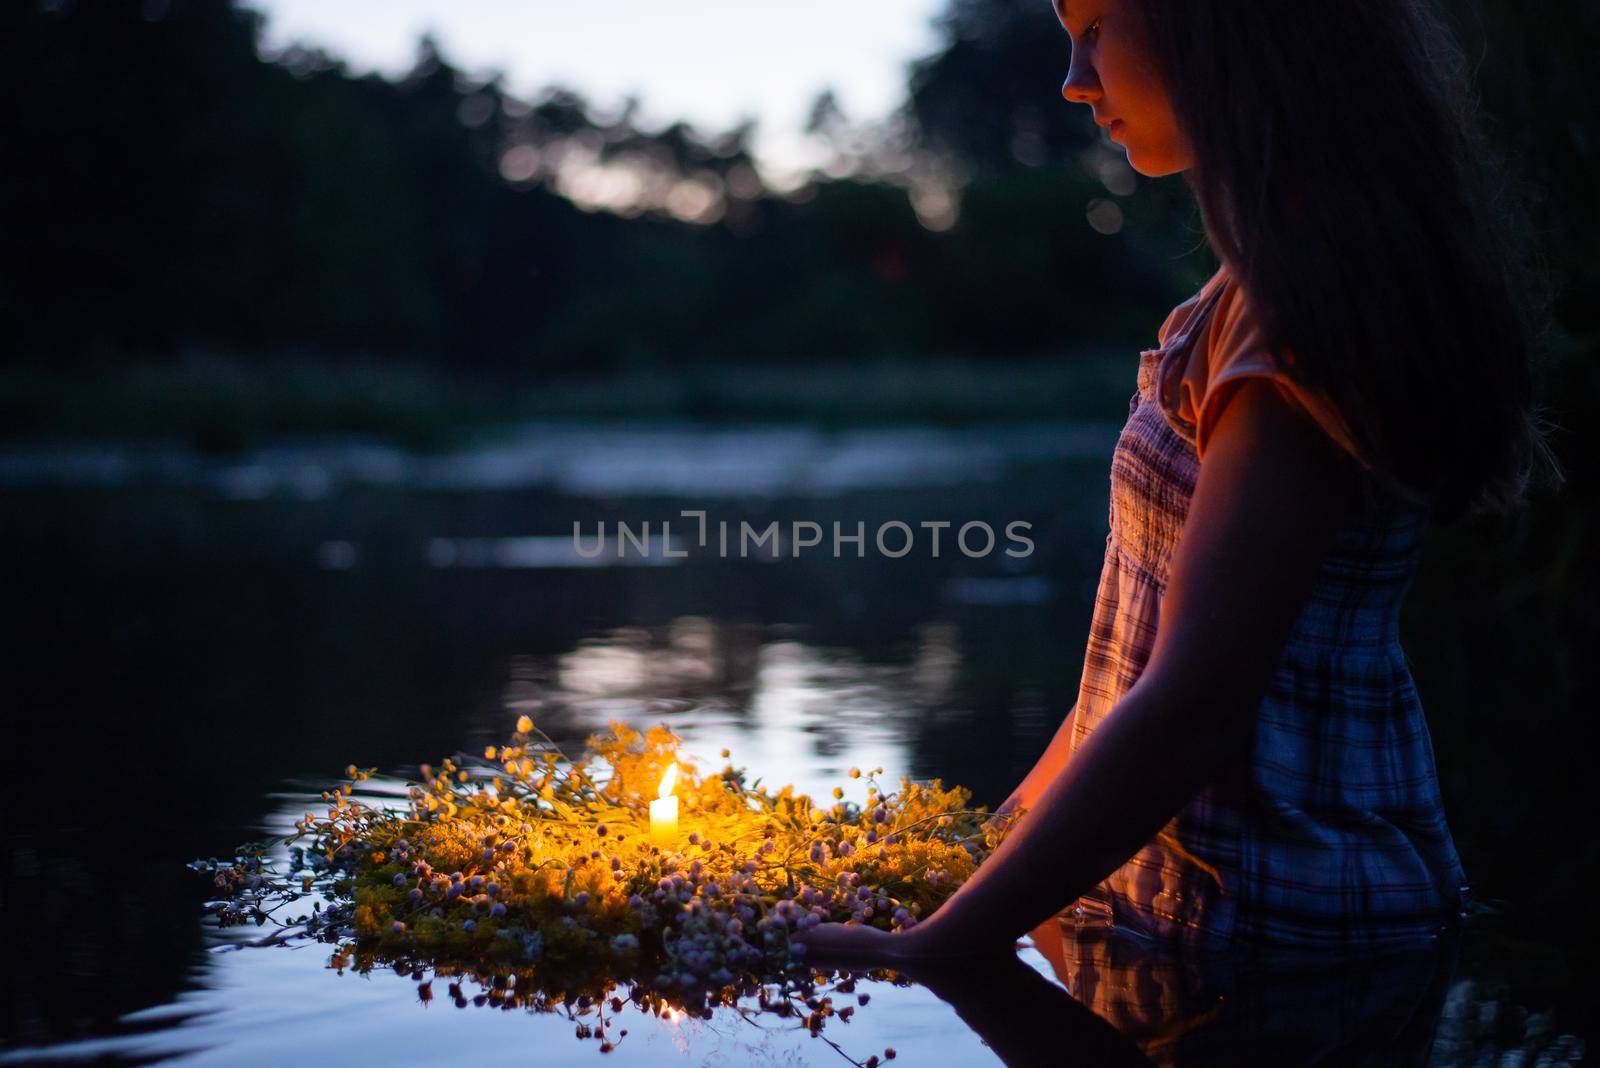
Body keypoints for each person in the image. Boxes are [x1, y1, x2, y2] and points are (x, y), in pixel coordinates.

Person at [802, 0, 1562, 966]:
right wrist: (968, 861)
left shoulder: (1296, 321)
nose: (1075, 81)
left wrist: (943, 946)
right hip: (1202, 924)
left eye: (1094, 30)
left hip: (1282, 939)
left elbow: (1198, 699)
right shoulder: (1241, 299)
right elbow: (1131, 679)